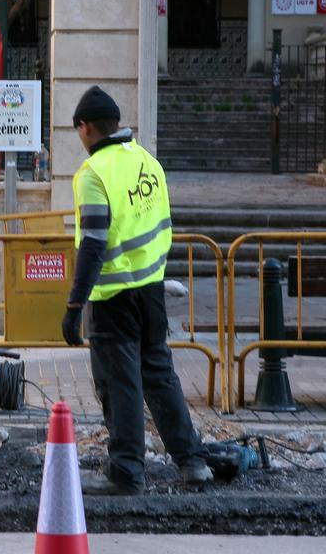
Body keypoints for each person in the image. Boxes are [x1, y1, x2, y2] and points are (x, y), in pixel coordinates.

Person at [61, 86, 213, 495]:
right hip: (151, 289)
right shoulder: (147, 160)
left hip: (112, 295)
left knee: (120, 381)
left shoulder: (93, 173)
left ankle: (127, 469)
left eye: (78, 130)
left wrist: (75, 304)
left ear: (87, 128)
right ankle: (192, 461)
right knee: (160, 374)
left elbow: (93, 241)